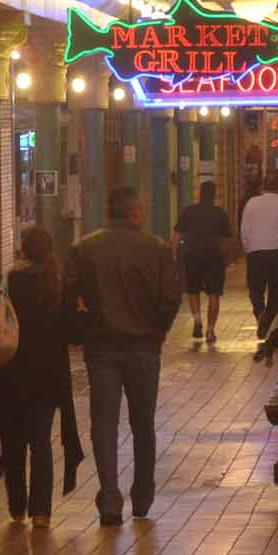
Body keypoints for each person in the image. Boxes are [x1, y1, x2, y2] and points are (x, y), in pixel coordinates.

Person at [70, 184, 181, 526]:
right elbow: (170, 298)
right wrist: (158, 329)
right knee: (143, 423)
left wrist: (85, 327)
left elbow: (69, 294)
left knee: (104, 424)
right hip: (144, 346)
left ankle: (110, 499)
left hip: (101, 347)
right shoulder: (158, 250)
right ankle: (143, 494)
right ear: (136, 212)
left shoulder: (84, 249)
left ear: (109, 212)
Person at [0, 226, 75, 528]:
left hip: (9, 376)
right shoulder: (58, 285)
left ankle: (17, 506)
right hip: (47, 378)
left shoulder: (5, 282)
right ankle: (42, 512)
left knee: (13, 443)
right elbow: (71, 329)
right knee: (41, 444)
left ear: (21, 250)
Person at [240, 176, 278, 339]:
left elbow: (244, 230)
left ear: (263, 187)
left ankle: (261, 314)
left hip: (256, 253)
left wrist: (248, 249)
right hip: (277, 253)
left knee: (255, 289)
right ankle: (269, 323)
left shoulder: (251, 204)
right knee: (276, 290)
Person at [172, 180, 233, 345]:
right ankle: (211, 330)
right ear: (214, 195)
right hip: (213, 256)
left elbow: (177, 235)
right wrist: (227, 259)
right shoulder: (220, 213)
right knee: (214, 293)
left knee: (193, 291)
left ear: (199, 193)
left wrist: (175, 257)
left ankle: (198, 320)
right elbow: (227, 240)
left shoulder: (189, 211)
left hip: (192, 255)